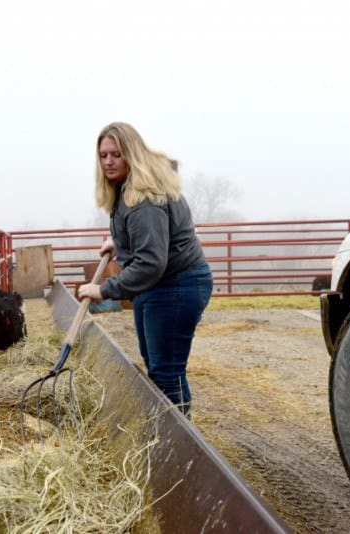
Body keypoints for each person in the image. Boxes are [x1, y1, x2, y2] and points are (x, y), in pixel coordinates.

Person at [78, 122, 213, 415]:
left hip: (176, 284)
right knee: (156, 364)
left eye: (116, 154)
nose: (109, 161)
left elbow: (151, 262)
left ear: (132, 154)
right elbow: (149, 237)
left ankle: (180, 445)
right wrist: (120, 241)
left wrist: (104, 290)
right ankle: (170, 437)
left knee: (167, 372)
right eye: (103, 155)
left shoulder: (143, 200)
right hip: (160, 284)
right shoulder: (129, 188)